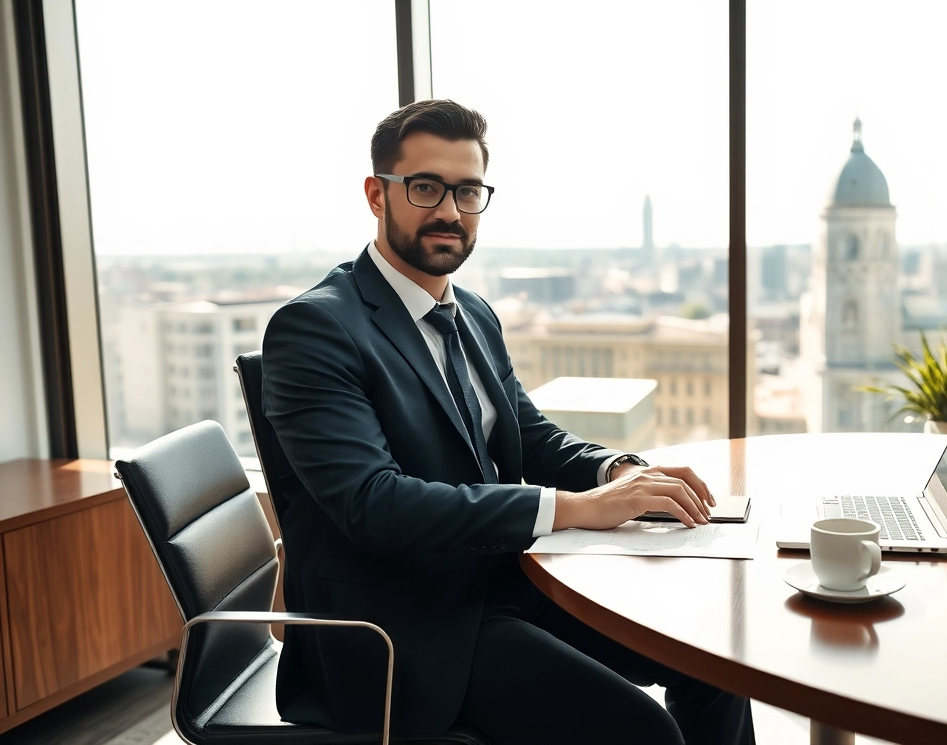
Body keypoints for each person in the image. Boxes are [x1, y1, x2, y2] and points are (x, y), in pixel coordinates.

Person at [261, 99, 756, 745]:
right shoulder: (316, 329)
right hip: (397, 628)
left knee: (713, 661)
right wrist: (576, 509)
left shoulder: (472, 313)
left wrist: (621, 472)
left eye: (467, 192)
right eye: (426, 187)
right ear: (376, 195)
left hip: (501, 584)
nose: (449, 211)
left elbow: (531, 435)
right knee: (642, 732)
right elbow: (372, 504)